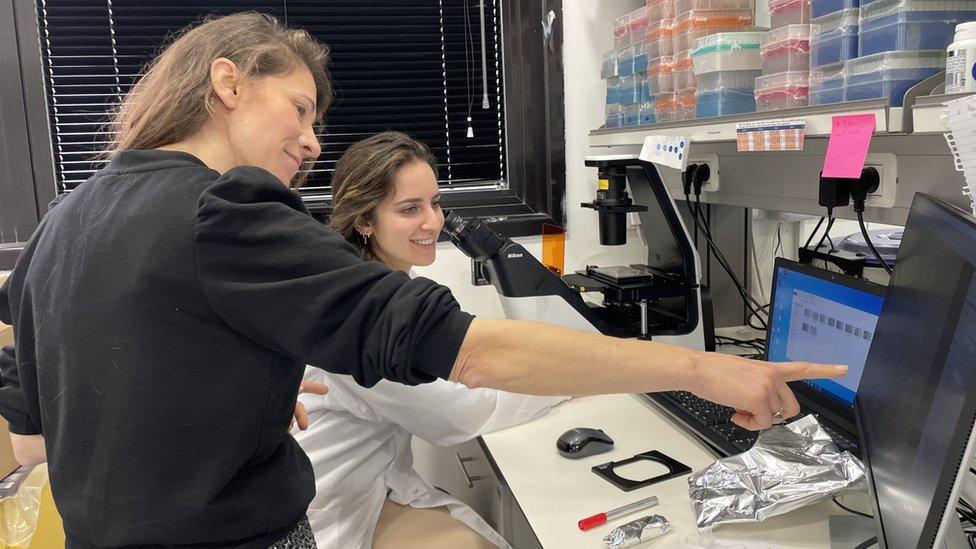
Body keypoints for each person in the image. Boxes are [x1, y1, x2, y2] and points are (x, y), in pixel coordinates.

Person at [0, 12, 845, 549]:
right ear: (227, 82)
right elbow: (465, 356)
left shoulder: (63, 220)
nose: (309, 140)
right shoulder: (221, 208)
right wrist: (707, 369)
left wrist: (222, 397)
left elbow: (34, 437)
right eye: (298, 108)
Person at [294, 131, 567, 549]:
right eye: (410, 209)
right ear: (364, 221)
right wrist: (564, 384)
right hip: (332, 510)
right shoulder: (364, 314)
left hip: (373, 487)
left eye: (435, 202)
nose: (433, 222)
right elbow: (459, 415)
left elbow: (454, 349)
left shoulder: (387, 282)